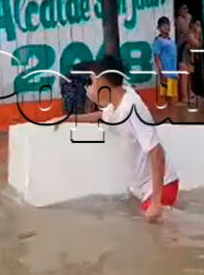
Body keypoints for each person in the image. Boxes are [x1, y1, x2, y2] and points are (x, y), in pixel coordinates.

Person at [52, 56, 180, 223]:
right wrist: (68, 119)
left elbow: (156, 151)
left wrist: (156, 202)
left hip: (161, 187)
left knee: (156, 235)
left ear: (104, 82)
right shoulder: (117, 102)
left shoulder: (132, 107)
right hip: (145, 188)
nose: (90, 88)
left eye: (92, 81)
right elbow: (103, 115)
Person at [153, 17, 179, 104]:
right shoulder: (158, 41)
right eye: (164, 25)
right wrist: (162, 71)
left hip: (173, 72)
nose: (167, 27)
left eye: (168, 25)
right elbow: (157, 58)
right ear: (159, 28)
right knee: (167, 98)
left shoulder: (170, 40)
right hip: (166, 73)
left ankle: (171, 116)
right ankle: (169, 115)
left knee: (172, 97)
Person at [178, 20, 203, 102]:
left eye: (199, 25)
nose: (198, 27)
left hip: (188, 57)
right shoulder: (190, 35)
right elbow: (197, 45)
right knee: (184, 78)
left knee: (189, 77)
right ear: (192, 25)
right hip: (183, 57)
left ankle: (190, 93)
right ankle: (184, 97)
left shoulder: (193, 35)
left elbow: (196, 49)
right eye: (197, 25)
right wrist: (198, 34)